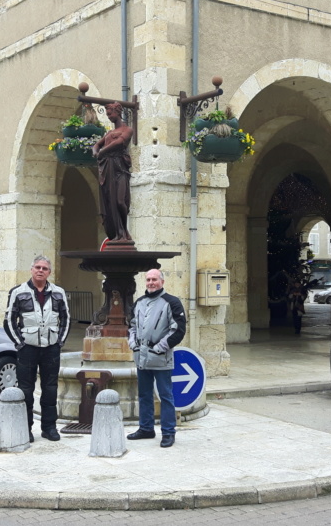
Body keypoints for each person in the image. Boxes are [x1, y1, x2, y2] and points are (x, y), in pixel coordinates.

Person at [3, 255, 70, 442]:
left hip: (51, 349)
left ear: (49, 272)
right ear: (31, 269)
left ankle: (49, 428)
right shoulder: (18, 292)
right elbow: (9, 321)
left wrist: (59, 342)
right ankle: (26, 428)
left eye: (45, 268)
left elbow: (66, 319)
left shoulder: (58, 292)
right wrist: (20, 344)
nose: (41, 270)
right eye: (37, 267)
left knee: (50, 390)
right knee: (26, 390)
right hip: (28, 349)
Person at [127, 268, 186, 448]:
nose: (151, 283)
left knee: (165, 395)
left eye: (154, 279)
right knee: (144, 395)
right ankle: (146, 428)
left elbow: (178, 330)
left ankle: (168, 432)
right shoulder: (139, 302)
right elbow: (132, 325)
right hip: (142, 358)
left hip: (161, 358)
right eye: (148, 280)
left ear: (162, 281)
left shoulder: (172, 302)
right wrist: (132, 343)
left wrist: (160, 348)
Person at [92, 101, 133, 242]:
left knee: (121, 201)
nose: (109, 117)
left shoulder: (127, 129)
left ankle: (124, 231)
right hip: (107, 168)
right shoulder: (109, 133)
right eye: (108, 114)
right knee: (110, 202)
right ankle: (117, 233)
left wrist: (103, 151)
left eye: (110, 114)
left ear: (118, 112)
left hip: (120, 168)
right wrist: (95, 151)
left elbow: (121, 142)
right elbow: (96, 144)